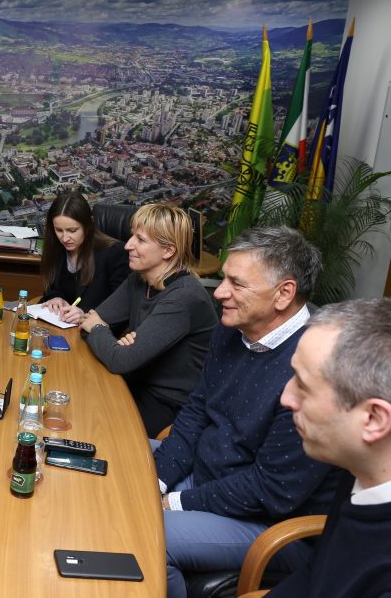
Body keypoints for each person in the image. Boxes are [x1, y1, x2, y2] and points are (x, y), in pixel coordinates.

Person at [153, 227, 340, 598]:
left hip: (268, 520)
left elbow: (271, 490)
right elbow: (197, 409)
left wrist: (172, 502)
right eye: (224, 278)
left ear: (284, 293)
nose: (220, 292)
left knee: (149, 537)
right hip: (207, 478)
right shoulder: (234, 325)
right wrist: (158, 479)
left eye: (236, 283)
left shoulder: (315, 366)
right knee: (119, 463)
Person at [268, 298, 391, 597]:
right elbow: (315, 574)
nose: (285, 398)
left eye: (302, 385)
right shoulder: (359, 469)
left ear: (373, 419)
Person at [80, 202, 217, 436]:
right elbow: (89, 322)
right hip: (134, 382)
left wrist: (105, 335)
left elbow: (117, 358)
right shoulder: (139, 278)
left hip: (169, 407)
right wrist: (111, 341)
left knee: (90, 425)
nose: (128, 245)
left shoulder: (184, 297)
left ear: (168, 251)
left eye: (140, 240)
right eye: (132, 235)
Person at [39, 192, 129, 324]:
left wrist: (85, 315)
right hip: (62, 327)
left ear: (89, 224)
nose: (65, 238)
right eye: (59, 230)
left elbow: (120, 309)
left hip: (94, 332)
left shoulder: (115, 253)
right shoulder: (57, 247)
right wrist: (55, 298)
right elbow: (53, 288)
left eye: (72, 230)